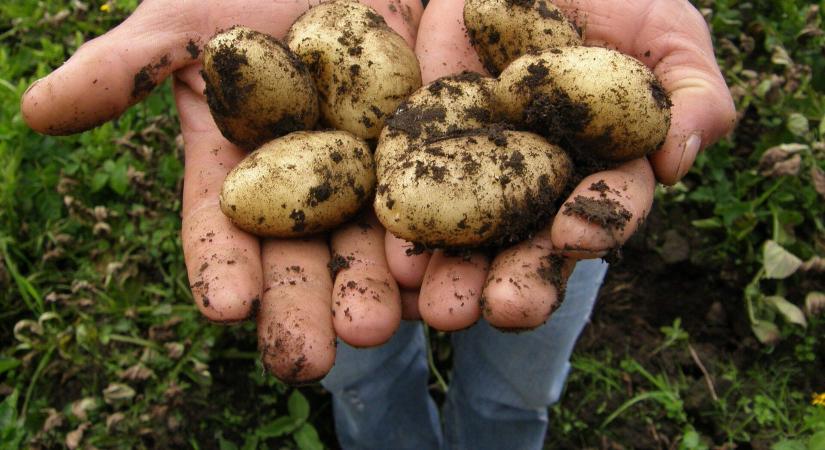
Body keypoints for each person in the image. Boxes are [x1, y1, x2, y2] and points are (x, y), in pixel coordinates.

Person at [21, 0, 735, 448]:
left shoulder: (511, 101)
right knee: (360, 355)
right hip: (359, 189)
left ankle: (502, 432)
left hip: (553, 201)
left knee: (516, 376)